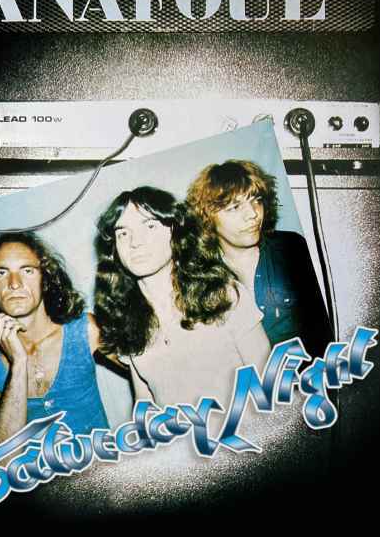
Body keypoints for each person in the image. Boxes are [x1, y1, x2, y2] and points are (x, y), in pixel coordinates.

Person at [94, 186, 270, 411]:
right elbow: (145, 403)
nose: (135, 242)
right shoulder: (127, 321)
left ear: (175, 231)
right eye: (123, 233)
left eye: (150, 226)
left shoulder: (222, 295)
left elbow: (270, 380)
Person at [0, 232, 109, 444]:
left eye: (27, 271)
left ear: (45, 280)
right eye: (1, 273)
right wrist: (19, 363)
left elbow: (146, 365)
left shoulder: (85, 329)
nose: (14, 283)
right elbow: (6, 453)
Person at [186, 160, 333, 357]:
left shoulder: (292, 249)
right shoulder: (200, 278)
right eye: (234, 207)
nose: (253, 214)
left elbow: (328, 328)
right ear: (207, 218)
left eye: (256, 200)